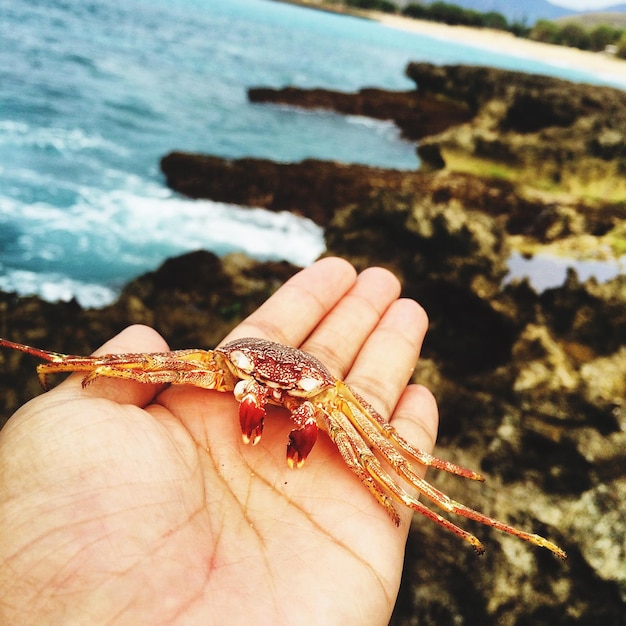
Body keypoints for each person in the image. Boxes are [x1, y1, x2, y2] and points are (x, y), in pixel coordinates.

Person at [0, 257, 437, 625]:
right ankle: (55, 361)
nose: (270, 391)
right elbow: (154, 363)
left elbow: (389, 446)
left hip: (313, 390)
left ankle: (453, 513)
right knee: (139, 362)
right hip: (247, 364)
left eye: (286, 390)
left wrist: (405, 494)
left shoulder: (332, 399)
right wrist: (79, 364)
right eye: (261, 380)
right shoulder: (216, 365)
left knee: (378, 452)